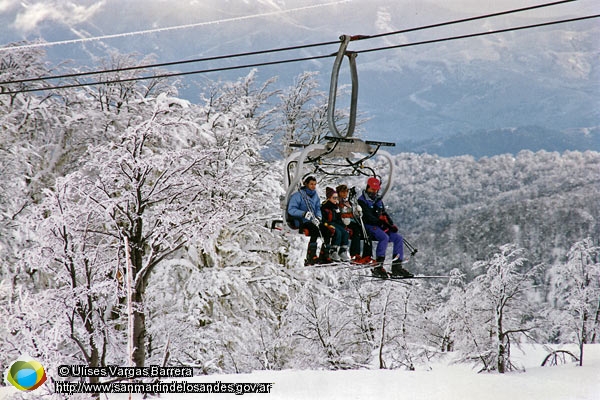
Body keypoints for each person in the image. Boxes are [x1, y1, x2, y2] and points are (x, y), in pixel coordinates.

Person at [357, 177, 413, 278]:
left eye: (376, 190)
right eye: (372, 189)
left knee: (398, 238)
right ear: (368, 187)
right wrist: (382, 223)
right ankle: (378, 266)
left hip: (380, 225)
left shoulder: (378, 200)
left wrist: (390, 225)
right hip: (369, 226)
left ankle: (397, 267)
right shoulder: (362, 201)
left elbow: (384, 213)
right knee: (384, 237)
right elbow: (368, 217)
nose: (374, 191)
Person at [287, 176, 322, 265]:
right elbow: (291, 210)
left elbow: (318, 207)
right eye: (311, 184)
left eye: (314, 184)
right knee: (314, 230)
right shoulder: (298, 195)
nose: (313, 186)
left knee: (325, 229)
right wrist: (303, 213)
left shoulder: (315, 196)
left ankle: (325, 254)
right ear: (306, 184)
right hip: (301, 220)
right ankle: (311, 255)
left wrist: (318, 217)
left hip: (312, 220)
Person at [336, 184, 375, 264]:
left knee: (366, 232)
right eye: (342, 192)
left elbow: (354, 213)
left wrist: (359, 213)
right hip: (345, 222)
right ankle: (355, 254)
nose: (344, 194)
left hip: (353, 221)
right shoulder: (337, 202)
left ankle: (367, 255)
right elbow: (338, 213)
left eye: (346, 192)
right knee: (356, 232)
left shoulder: (350, 201)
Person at [321, 187, 351, 262]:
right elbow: (323, 218)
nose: (335, 200)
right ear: (329, 198)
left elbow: (338, 218)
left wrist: (344, 226)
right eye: (334, 198)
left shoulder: (336, 207)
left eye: (336, 198)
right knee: (338, 232)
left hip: (335, 223)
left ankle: (342, 251)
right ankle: (333, 250)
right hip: (329, 223)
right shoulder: (325, 206)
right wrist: (327, 224)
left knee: (345, 233)